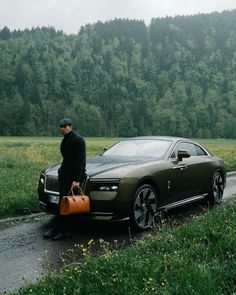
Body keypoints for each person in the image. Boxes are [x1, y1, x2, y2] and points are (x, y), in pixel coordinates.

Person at [43, 118, 86, 240]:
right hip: (64, 175)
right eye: (61, 126)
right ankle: (57, 229)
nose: (63, 128)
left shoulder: (78, 140)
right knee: (62, 203)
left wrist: (77, 180)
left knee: (66, 204)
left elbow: (81, 162)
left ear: (71, 126)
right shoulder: (65, 139)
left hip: (72, 177)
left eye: (66, 126)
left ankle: (63, 231)